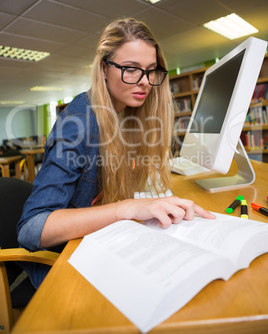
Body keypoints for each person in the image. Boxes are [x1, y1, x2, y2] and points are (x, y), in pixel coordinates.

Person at [17, 18, 214, 287]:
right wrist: (126, 208)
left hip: (97, 243)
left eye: (151, 71)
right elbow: (32, 228)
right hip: (62, 264)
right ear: (104, 70)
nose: (144, 82)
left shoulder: (125, 114)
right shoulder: (79, 123)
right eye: (131, 69)